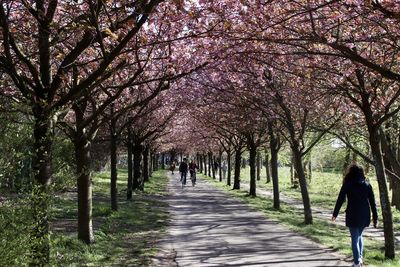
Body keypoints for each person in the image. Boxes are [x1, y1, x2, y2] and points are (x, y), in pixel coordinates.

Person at [332, 164, 378, 267]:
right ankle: (359, 259)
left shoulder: (347, 184)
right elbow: (373, 203)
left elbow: (340, 199)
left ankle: (357, 262)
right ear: (362, 173)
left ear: (350, 173)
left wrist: (335, 213)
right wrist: (375, 217)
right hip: (365, 214)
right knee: (359, 236)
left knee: (355, 238)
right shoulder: (367, 185)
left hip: (352, 214)